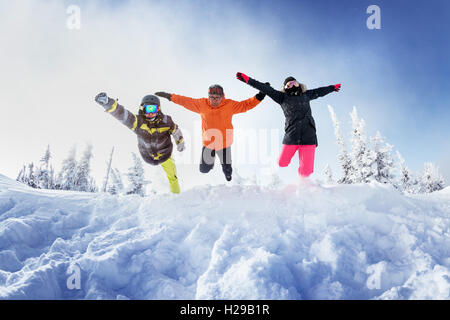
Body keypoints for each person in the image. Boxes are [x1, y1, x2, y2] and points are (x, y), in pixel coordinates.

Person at [236, 72, 341, 179]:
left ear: (299, 84)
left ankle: (302, 187)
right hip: (292, 136)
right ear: (285, 88)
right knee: (282, 163)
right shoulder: (281, 97)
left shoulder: (306, 95)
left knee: (306, 171)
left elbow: (320, 91)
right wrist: (248, 80)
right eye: (289, 85)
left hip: (309, 136)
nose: (293, 86)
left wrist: (332, 88)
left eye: (295, 83)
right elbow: (266, 89)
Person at [155, 84, 266, 181]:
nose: (214, 100)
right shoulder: (202, 104)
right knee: (204, 170)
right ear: (208, 97)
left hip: (224, 144)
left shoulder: (229, 105)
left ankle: (228, 176)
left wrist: (260, 95)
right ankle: (211, 162)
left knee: (227, 172)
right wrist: (169, 96)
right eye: (211, 97)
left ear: (222, 96)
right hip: (208, 144)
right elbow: (185, 101)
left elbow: (246, 105)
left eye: (217, 97)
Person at [94, 92, 185, 194]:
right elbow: (122, 114)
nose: (150, 113)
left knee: (172, 177)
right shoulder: (138, 122)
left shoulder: (166, 121)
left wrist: (180, 142)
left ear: (158, 109)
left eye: (153, 109)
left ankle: (176, 197)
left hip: (165, 155)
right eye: (147, 109)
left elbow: (176, 131)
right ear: (142, 109)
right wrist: (108, 103)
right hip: (148, 156)